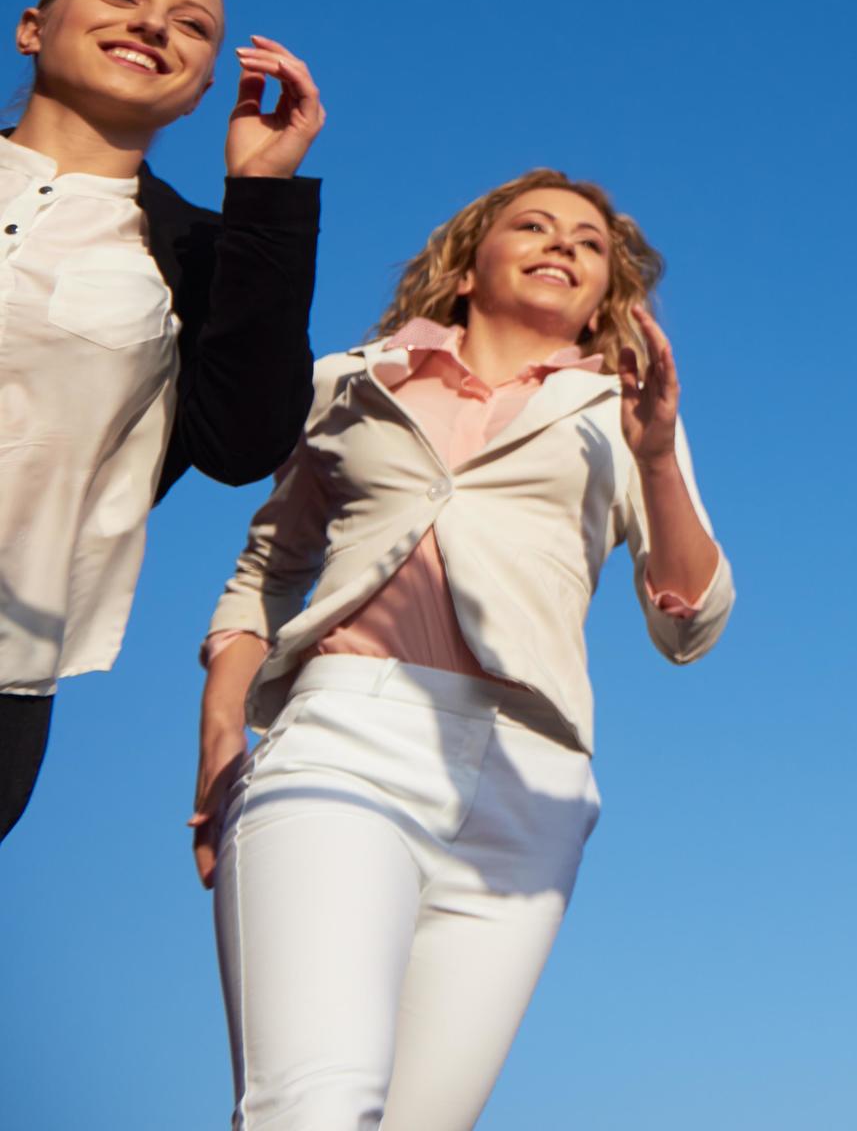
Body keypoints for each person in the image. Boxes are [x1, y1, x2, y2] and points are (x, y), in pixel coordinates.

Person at [192, 169, 733, 1131]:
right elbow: (267, 572)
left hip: (534, 784)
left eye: (590, 243)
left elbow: (687, 625)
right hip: (347, 736)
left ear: (608, 291)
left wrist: (654, 457)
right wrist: (221, 741)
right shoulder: (349, 384)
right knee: (313, 1108)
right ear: (466, 268)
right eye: (532, 225)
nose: (562, 244)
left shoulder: (624, 414)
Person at [1, 0, 324, 843]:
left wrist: (262, 196)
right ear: (33, 28)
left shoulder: (200, 255)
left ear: (200, 86)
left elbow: (243, 445)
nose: (153, 24)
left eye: (193, 26)